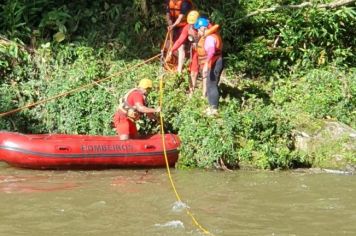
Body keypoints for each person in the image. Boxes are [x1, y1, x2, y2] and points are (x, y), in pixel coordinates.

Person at [167, 11, 220, 95]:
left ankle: (204, 94)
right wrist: (171, 50)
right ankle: (191, 93)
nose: (192, 25)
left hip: (207, 52)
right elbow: (180, 40)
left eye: (193, 23)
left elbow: (214, 40)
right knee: (193, 72)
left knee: (205, 73)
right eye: (190, 23)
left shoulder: (207, 26)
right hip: (195, 51)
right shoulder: (188, 27)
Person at [194, 17, 223, 116]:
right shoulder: (209, 36)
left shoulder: (210, 38)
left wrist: (206, 64)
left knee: (212, 85)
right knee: (210, 84)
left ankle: (214, 109)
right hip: (215, 61)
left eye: (198, 29)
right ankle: (211, 107)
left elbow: (211, 51)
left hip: (215, 62)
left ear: (203, 28)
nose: (198, 31)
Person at [165, 0, 193, 73]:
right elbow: (168, 14)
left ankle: (179, 70)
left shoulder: (184, 3)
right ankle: (172, 62)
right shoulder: (169, 2)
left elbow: (180, 18)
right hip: (174, 25)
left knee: (181, 47)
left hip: (184, 25)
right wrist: (169, 22)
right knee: (171, 43)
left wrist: (173, 26)